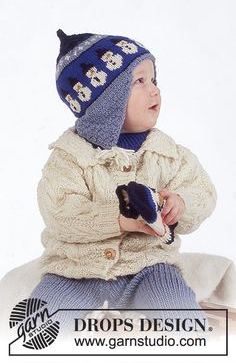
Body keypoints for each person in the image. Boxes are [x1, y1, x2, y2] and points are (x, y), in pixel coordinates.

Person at [30, 30, 217, 326]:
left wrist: (180, 204)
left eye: (154, 80)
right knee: (36, 324)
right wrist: (120, 221)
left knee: (180, 317)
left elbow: (203, 192)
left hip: (150, 267)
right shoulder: (69, 157)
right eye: (139, 81)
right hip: (77, 271)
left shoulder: (168, 154)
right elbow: (60, 212)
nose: (154, 90)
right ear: (107, 102)